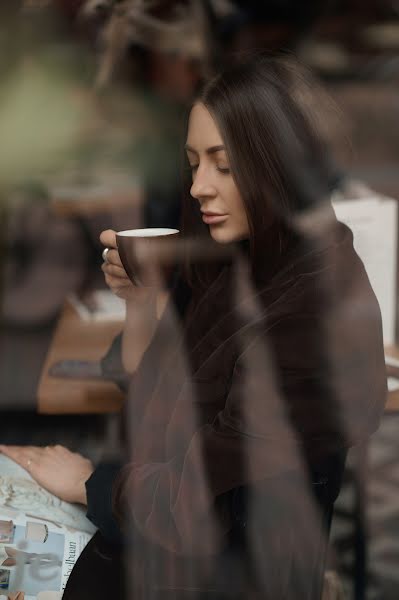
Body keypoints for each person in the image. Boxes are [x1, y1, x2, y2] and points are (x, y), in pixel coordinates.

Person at [0, 55, 386, 599]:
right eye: (193, 163)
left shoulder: (310, 309)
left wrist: (90, 483)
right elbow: (151, 387)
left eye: (223, 165)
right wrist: (141, 303)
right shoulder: (238, 255)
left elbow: (194, 505)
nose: (201, 186)